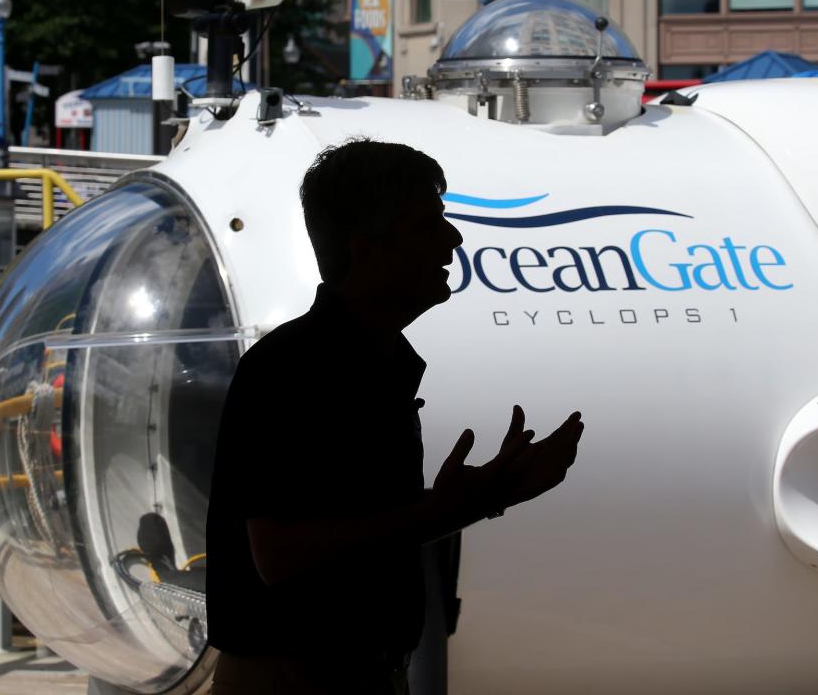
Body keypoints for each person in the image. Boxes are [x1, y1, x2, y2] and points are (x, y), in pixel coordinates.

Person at [206, 139, 583, 695]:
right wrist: (461, 504)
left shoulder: (356, 360)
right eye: (428, 225)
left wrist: (477, 499)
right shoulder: (297, 369)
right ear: (367, 249)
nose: (453, 240)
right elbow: (282, 556)